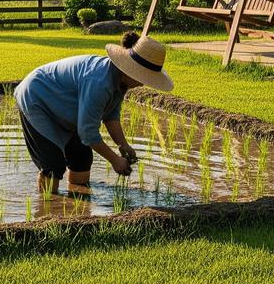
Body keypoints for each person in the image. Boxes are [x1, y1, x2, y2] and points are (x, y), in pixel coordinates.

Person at [14, 32, 174, 194]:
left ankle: (78, 204)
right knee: (52, 164)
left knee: (81, 156)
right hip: (36, 98)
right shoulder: (99, 82)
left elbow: (111, 115)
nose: (142, 84)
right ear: (130, 69)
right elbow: (87, 133)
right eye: (143, 78)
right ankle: (48, 210)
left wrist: (123, 145)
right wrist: (115, 160)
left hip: (61, 106)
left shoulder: (120, 80)